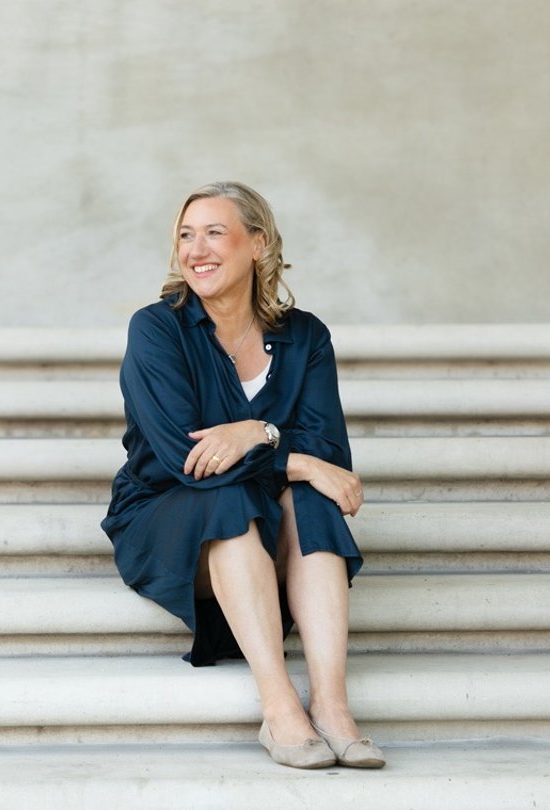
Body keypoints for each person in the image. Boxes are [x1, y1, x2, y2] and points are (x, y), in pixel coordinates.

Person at [100, 181, 384, 770]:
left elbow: (330, 450)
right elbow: (189, 456)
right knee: (230, 498)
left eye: (213, 233)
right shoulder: (158, 329)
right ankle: (280, 708)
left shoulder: (305, 336)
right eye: (185, 234)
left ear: (257, 244)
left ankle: (332, 707)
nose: (195, 249)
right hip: (165, 510)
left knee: (314, 504)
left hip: (262, 512)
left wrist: (261, 433)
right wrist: (295, 458)